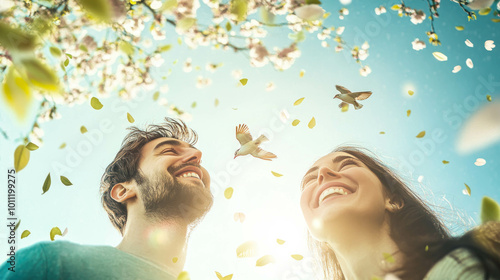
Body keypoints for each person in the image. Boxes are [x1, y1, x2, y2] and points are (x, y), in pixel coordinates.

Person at [0, 117, 214, 279]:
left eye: (195, 155)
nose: (197, 156)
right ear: (123, 191)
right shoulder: (53, 265)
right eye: (169, 151)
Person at [300, 145, 500, 280]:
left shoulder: (471, 262)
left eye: (347, 164)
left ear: (393, 200)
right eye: (310, 179)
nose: (323, 175)